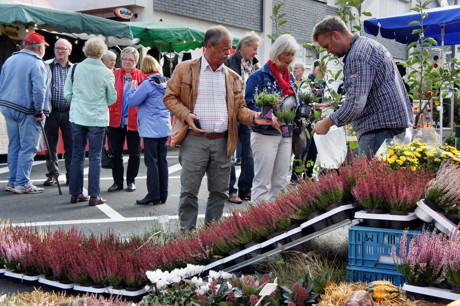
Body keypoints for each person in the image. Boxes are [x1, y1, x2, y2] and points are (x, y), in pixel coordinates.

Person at [163, 25, 274, 231]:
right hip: (194, 139)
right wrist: (185, 114)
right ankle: (187, 233)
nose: (229, 53)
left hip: (223, 141)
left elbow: (240, 109)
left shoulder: (233, 77)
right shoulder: (185, 69)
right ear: (208, 47)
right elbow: (169, 96)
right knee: (189, 191)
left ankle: (211, 234)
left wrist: (255, 117)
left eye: (230, 49)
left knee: (220, 193)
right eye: (224, 49)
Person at [311, 16, 413, 157]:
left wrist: (327, 122)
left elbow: (355, 103)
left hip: (379, 131)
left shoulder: (357, 55)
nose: (328, 52)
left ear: (335, 35)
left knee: (370, 177)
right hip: (392, 129)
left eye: (326, 46)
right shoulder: (369, 45)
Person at [246, 34, 299, 202]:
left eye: (292, 55)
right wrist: (269, 117)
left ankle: (275, 220)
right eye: (286, 54)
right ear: (277, 53)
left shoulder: (290, 78)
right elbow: (249, 104)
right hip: (265, 133)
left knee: (280, 182)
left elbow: (295, 101)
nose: (290, 59)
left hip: (285, 133)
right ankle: (258, 223)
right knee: (263, 182)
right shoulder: (259, 76)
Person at [64, 37, 117, 206]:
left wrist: (79, 101)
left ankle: (75, 193)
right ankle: (94, 195)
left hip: (78, 116)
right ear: (102, 53)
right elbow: (111, 99)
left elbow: (68, 94)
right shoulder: (106, 73)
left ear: (86, 50)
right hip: (97, 118)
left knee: (77, 155)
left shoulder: (75, 68)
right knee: (95, 157)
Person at [0, 32, 49, 194]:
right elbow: (39, 90)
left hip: (8, 106)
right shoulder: (36, 63)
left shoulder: (10, 59)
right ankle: (22, 182)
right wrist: (39, 110)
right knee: (28, 147)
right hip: (27, 110)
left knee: (14, 145)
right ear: (39, 48)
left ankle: (13, 181)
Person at [127, 55, 171, 205]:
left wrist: (132, 88)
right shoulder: (167, 82)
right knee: (162, 162)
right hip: (164, 127)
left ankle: (153, 194)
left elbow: (132, 102)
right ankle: (163, 194)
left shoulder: (147, 84)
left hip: (150, 128)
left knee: (151, 162)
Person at [224, 31, 261, 204]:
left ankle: (246, 189)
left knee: (249, 153)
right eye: (254, 48)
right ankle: (231, 191)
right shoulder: (229, 62)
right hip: (231, 113)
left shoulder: (254, 65)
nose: (256, 52)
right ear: (244, 46)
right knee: (230, 152)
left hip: (247, 112)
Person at [107, 47, 146, 193]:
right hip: (115, 119)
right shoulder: (113, 75)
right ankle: (117, 182)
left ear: (136, 62)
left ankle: (131, 181)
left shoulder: (142, 77)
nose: (128, 62)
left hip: (134, 120)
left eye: (131, 60)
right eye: (125, 59)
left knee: (134, 153)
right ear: (121, 60)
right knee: (116, 153)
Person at [43, 38, 74, 186]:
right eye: (57, 48)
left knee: (71, 145)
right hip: (52, 111)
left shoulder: (74, 68)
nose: (60, 51)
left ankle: (71, 174)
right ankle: (52, 174)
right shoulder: (47, 65)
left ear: (70, 51)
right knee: (50, 145)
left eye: (63, 48)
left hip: (70, 112)